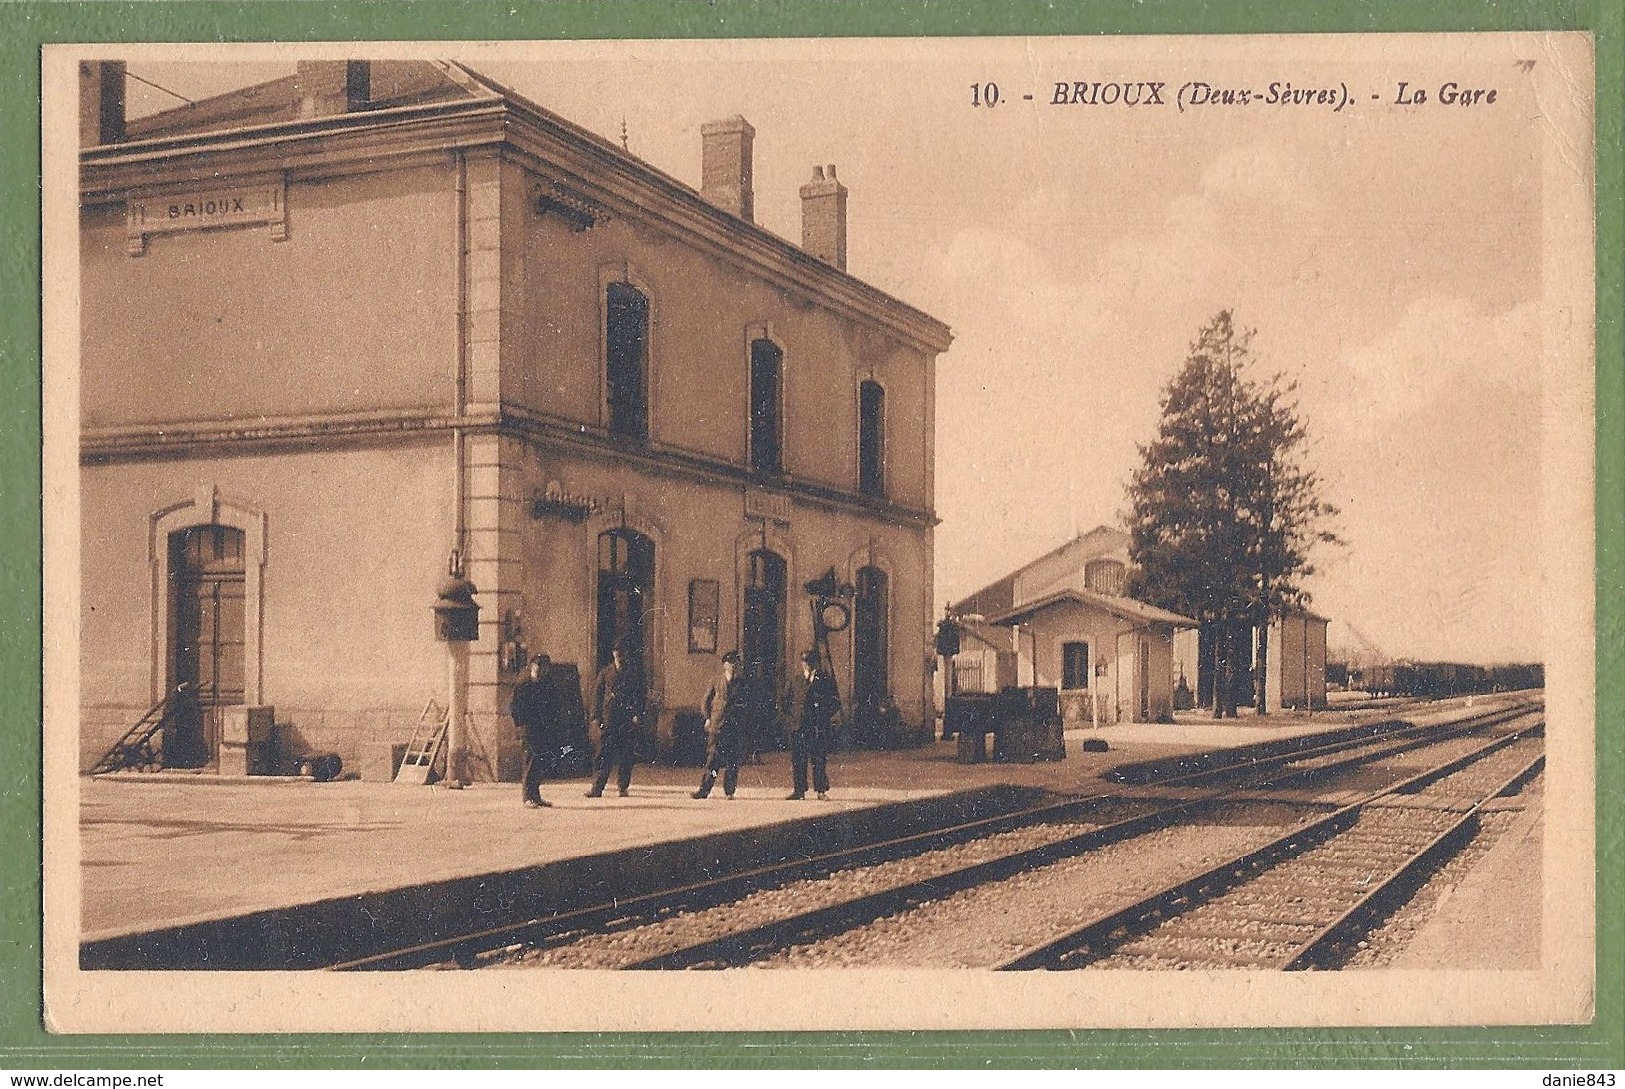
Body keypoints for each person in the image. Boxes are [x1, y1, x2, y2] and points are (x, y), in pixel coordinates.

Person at [586, 643, 645, 798]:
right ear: (613, 655)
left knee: (627, 755)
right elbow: (597, 696)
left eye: (622, 654)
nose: (620, 657)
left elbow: (640, 696)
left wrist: (637, 714)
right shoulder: (605, 673)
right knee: (604, 755)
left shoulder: (632, 674)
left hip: (626, 720)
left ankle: (623, 787)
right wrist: (595, 717)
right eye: (617, 654)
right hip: (609, 719)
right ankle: (597, 788)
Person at [784, 649, 838, 800]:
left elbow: (835, 702)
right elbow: (785, 702)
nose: (807, 665)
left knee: (818, 759)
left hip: (816, 727)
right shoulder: (795, 680)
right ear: (801, 663)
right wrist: (791, 721)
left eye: (810, 662)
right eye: (804, 662)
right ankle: (799, 791)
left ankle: (821, 790)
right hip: (799, 727)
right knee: (798, 759)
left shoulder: (825, 680)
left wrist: (823, 717)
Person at [692, 650, 747, 800]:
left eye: (736, 663)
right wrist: (708, 718)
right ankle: (705, 789)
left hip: (733, 727)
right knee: (713, 760)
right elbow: (705, 701)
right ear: (725, 665)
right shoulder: (717, 681)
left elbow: (747, 706)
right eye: (730, 664)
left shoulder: (742, 683)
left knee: (732, 762)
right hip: (717, 726)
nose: (733, 667)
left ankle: (729, 791)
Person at [512, 654, 556, 809]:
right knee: (529, 763)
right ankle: (526, 797)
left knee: (539, 762)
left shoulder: (545, 684)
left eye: (543, 667)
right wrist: (521, 726)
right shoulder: (523, 684)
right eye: (538, 667)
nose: (540, 670)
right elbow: (515, 707)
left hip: (542, 729)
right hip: (528, 729)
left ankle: (536, 796)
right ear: (532, 667)